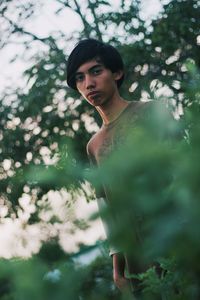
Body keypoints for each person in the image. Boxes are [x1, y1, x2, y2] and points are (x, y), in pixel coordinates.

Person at [66, 38, 164, 297]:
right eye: (79, 78)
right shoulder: (94, 146)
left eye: (96, 71)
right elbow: (107, 209)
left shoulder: (151, 112)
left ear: (116, 72)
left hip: (174, 237)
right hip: (137, 259)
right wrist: (117, 269)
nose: (88, 83)